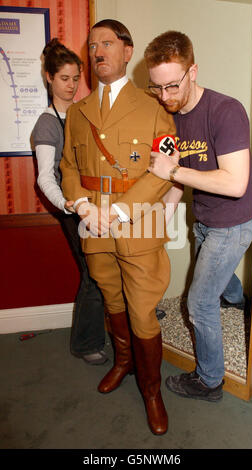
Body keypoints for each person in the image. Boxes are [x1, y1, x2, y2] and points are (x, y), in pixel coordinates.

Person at [60, 19, 177, 435]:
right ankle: (123, 362)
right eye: (92, 45)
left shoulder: (154, 108)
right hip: (94, 223)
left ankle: (151, 389)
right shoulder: (79, 112)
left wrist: (123, 211)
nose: (97, 52)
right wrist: (80, 205)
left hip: (138, 223)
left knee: (143, 311)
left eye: (107, 43)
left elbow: (165, 171)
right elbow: (69, 167)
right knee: (111, 298)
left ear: (128, 51)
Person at [145, 30, 252, 402]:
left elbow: (236, 183)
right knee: (219, 281)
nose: (165, 97)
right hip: (204, 219)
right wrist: (165, 211)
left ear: (193, 71)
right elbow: (179, 173)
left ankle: (209, 382)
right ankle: (238, 299)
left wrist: (171, 173)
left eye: (172, 86)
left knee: (198, 302)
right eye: (156, 88)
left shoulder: (227, 111)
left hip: (233, 223)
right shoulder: (172, 117)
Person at [32, 38, 107, 366]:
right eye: (64, 78)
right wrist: (71, 206)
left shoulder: (82, 114)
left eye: (76, 78)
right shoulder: (47, 123)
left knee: (107, 269)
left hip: (96, 202)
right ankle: (84, 343)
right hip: (72, 209)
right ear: (49, 77)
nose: (72, 85)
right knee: (92, 274)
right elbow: (45, 178)